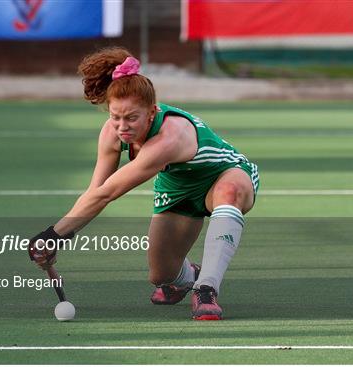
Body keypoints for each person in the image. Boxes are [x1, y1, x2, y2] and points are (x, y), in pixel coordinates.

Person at [28, 47, 259, 321]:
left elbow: (109, 194)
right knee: (161, 274)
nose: (122, 126)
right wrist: (55, 236)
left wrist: (55, 235)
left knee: (229, 191)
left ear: (152, 113)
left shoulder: (169, 137)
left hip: (224, 174)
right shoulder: (111, 134)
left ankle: (207, 288)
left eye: (131, 118)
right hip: (177, 189)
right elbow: (96, 192)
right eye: (115, 117)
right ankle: (190, 277)